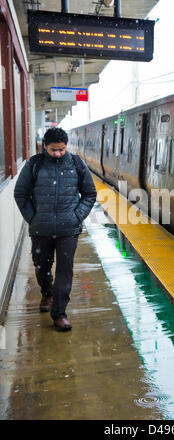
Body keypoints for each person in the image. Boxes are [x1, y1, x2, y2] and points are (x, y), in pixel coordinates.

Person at [14, 127, 97, 331]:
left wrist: (76, 217)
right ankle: (47, 293)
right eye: (53, 150)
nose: (58, 153)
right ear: (44, 146)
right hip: (40, 229)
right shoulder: (35, 164)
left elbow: (89, 194)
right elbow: (20, 193)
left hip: (68, 230)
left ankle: (59, 313)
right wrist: (33, 218)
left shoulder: (76, 164)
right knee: (41, 266)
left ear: (66, 146)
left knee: (64, 271)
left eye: (61, 149)